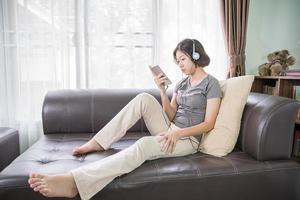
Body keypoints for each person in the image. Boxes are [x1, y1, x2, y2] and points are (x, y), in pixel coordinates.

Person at [28, 38, 222, 200]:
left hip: (187, 139)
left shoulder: (211, 84)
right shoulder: (181, 83)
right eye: (177, 61)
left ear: (196, 56)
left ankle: (74, 182)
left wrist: (178, 133)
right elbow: (171, 114)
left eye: (183, 59)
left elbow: (209, 123)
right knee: (144, 98)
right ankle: (99, 142)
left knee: (144, 145)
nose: (179, 64)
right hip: (171, 128)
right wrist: (162, 91)